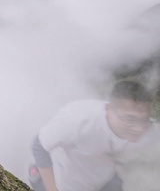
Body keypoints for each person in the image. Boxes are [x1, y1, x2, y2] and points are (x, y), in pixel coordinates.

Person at [30, 80, 158, 191]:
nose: (139, 128)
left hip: (103, 177)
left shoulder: (148, 130)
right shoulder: (78, 120)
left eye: (144, 120)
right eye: (130, 119)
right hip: (60, 179)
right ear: (108, 109)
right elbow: (39, 146)